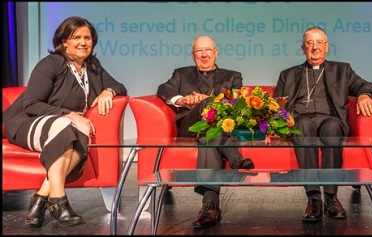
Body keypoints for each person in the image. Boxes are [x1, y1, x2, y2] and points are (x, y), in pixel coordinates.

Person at [2, 16, 127, 227]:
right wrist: (69, 114)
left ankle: (41, 197)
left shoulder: (93, 66)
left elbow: (120, 86)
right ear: (63, 41)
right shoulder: (51, 64)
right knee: (69, 126)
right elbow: (30, 103)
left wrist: (108, 91)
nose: (83, 42)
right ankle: (59, 200)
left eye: (87, 37)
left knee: (77, 131)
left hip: (66, 128)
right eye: (76, 37)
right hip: (26, 122)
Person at [274, 26, 372, 222]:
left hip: (330, 119)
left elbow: (368, 85)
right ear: (303, 48)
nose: (315, 48)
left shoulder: (342, 70)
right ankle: (314, 198)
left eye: (319, 43)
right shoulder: (287, 74)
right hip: (301, 119)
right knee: (302, 126)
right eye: (310, 43)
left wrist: (364, 95)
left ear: (327, 46)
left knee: (331, 127)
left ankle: (331, 196)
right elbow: (277, 105)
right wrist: (281, 121)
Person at [157, 35, 254, 228]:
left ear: (215, 52)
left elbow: (237, 104)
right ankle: (233, 156)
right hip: (190, 127)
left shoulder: (233, 76)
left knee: (210, 132)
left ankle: (210, 206)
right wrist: (182, 100)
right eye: (199, 51)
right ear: (193, 55)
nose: (204, 55)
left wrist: (211, 102)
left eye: (208, 50)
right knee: (209, 105)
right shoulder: (182, 74)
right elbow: (163, 89)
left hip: (216, 129)